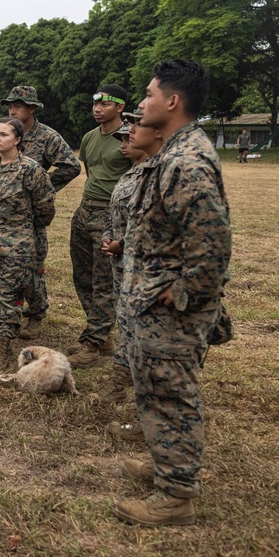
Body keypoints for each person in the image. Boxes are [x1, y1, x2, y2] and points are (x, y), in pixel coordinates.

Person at [114, 59, 231, 527]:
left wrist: (182, 294)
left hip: (171, 310)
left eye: (147, 94)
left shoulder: (186, 161)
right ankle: (166, 463)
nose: (141, 103)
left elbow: (212, 243)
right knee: (155, 389)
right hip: (152, 300)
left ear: (172, 101)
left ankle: (176, 495)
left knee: (170, 393)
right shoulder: (173, 152)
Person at [0, 86, 80, 339]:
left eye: (19, 106)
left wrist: (43, 186)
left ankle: (35, 316)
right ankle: (5, 314)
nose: (13, 110)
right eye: (10, 105)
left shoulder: (48, 136)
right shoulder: (3, 132)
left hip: (32, 213)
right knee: (3, 270)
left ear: (32, 108)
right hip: (6, 212)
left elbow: (71, 165)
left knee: (33, 268)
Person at [94, 114, 161, 423]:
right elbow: (114, 212)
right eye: (121, 138)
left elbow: (148, 225)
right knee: (124, 319)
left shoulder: (156, 173)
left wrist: (123, 243)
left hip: (141, 264)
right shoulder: (130, 175)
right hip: (123, 263)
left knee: (139, 328)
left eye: (128, 135)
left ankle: (140, 392)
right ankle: (122, 380)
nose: (125, 140)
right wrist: (110, 238)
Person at [0, 117, 55, 372]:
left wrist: (23, 231)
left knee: (8, 296)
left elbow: (45, 209)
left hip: (17, 244)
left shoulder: (31, 170)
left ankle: (3, 348)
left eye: (4, 135)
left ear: (18, 140)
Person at [68, 84, 133, 367]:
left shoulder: (129, 137)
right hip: (85, 211)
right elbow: (90, 171)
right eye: (95, 104)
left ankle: (92, 344)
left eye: (105, 104)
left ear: (120, 107)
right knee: (82, 277)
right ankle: (102, 333)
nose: (97, 109)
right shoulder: (89, 137)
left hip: (112, 215)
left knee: (104, 281)